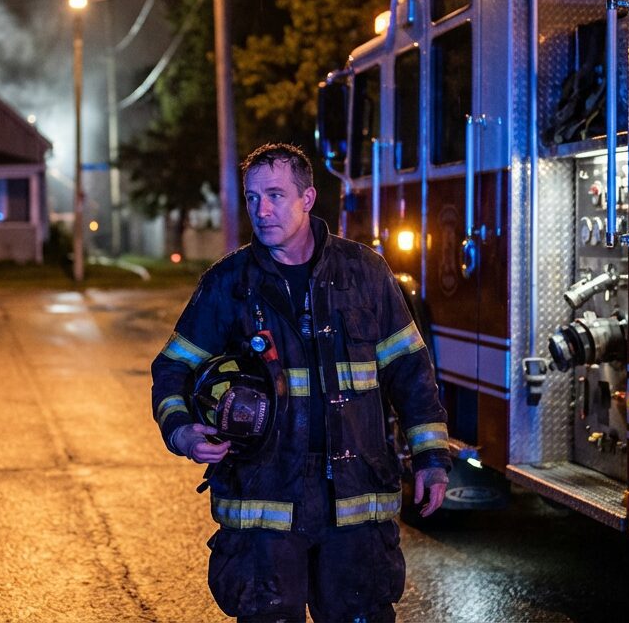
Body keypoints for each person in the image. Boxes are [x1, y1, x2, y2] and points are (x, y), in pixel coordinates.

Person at [151, 143, 450, 623]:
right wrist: (183, 431)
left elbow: (411, 373)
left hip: (355, 506)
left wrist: (431, 459)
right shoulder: (229, 283)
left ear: (308, 198)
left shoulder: (366, 274)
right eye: (252, 198)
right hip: (264, 507)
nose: (261, 210)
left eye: (275, 195)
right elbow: (172, 369)